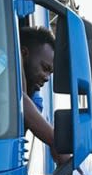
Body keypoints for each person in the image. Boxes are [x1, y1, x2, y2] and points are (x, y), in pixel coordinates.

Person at [18, 25, 70, 165]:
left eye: (50, 73)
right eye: (45, 68)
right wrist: (56, 141)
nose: (47, 78)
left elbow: (25, 107)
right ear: (23, 54)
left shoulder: (35, 100)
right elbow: (19, 101)